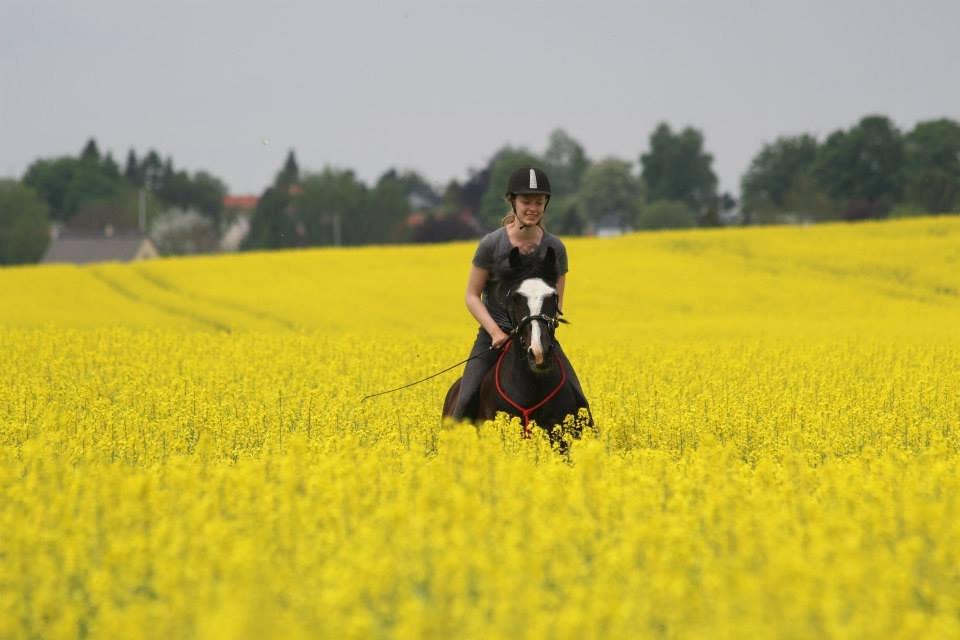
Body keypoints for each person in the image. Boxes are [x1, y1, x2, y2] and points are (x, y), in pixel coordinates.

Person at [450, 166, 590, 421]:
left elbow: (556, 303)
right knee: (464, 400)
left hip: (539, 335)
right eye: (526, 201)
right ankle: (452, 452)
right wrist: (495, 332)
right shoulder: (491, 245)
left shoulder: (555, 248)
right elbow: (472, 295)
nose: (532, 208)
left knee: (580, 404)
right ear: (512, 201)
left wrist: (542, 331)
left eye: (539, 202)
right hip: (495, 336)